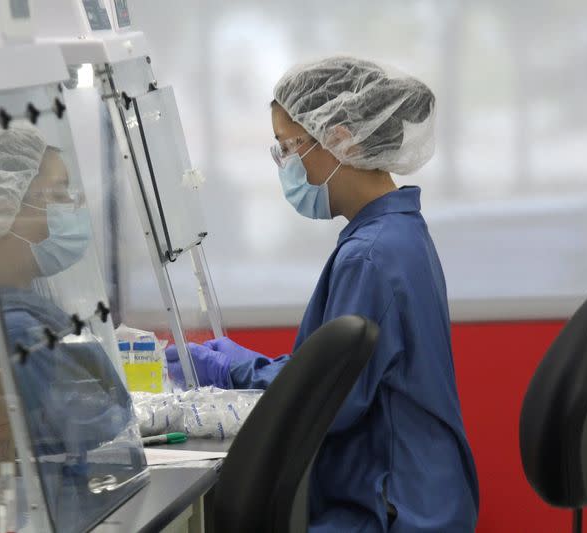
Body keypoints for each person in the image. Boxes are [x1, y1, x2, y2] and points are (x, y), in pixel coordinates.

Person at [166, 56, 479, 532]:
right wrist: (248, 367)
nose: (283, 166)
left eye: (287, 148)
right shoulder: (394, 234)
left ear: (339, 138)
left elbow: (327, 401)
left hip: (391, 509)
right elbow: (337, 375)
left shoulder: (371, 255)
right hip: (416, 494)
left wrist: (235, 369)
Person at [0, 120, 139, 530]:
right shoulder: (17, 331)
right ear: (5, 209)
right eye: (58, 192)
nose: (72, 206)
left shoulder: (36, 312)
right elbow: (88, 422)